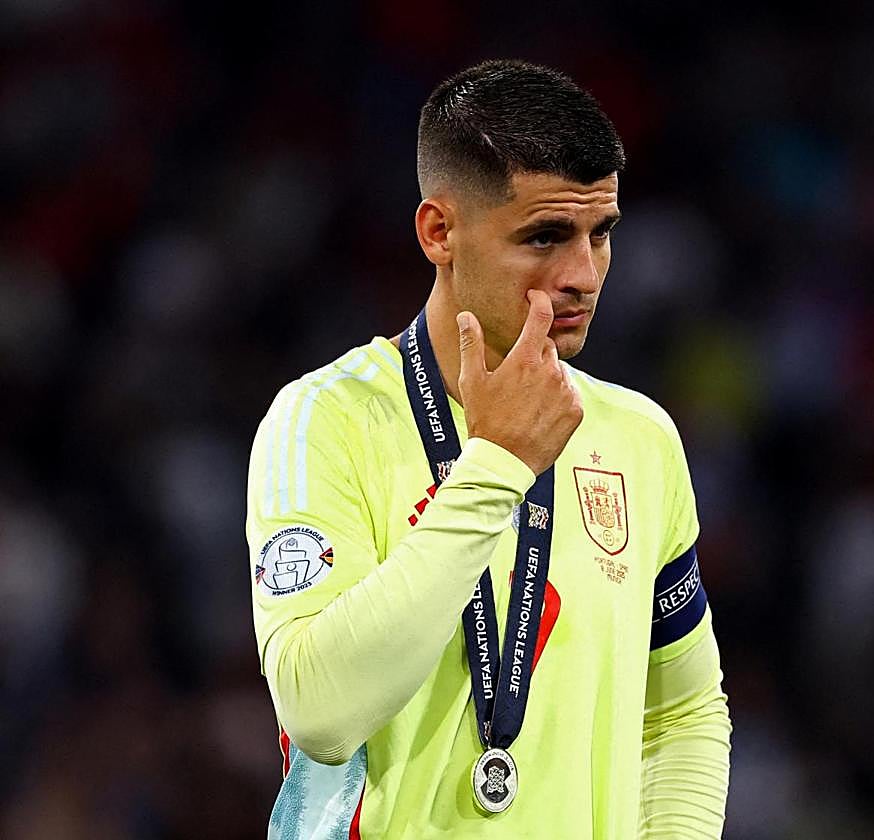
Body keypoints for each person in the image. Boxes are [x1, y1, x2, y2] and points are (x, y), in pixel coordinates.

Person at [246, 59, 731, 839]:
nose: (583, 275)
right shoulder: (325, 421)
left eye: (601, 234)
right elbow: (319, 711)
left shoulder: (638, 439)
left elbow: (682, 713)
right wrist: (497, 465)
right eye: (544, 237)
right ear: (439, 232)